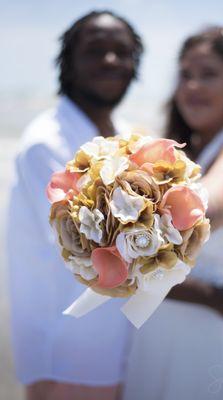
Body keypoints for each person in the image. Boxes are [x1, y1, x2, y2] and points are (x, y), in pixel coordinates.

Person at [123, 26, 223, 400]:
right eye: (185, 75)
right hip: (163, 342)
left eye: (208, 74)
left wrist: (124, 217)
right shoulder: (183, 153)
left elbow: (215, 200)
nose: (192, 86)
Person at [6, 10, 143, 400]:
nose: (111, 61)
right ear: (68, 62)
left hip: (114, 342)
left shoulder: (127, 134)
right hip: (67, 348)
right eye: (95, 50)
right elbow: (84, 253)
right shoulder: (46, 144)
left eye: (122, 51)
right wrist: (211, 297)